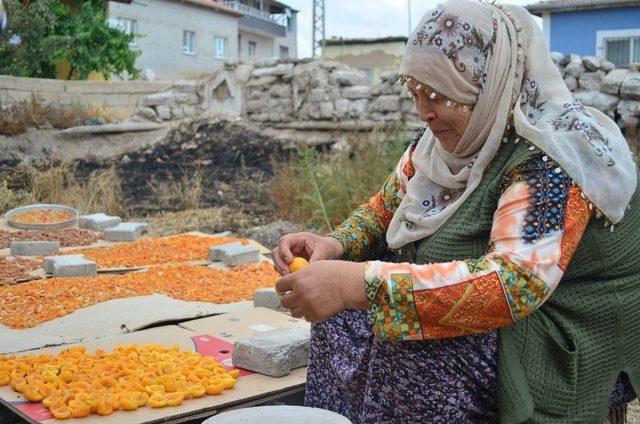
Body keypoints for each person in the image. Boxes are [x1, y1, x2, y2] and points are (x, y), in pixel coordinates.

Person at [271, 0, 640, 422]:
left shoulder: (554, 159)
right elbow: (385, 206)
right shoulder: (439, 143)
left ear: (488, 84)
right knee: (340, 320)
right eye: (415, 94)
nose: (423, 113)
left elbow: (513, 285)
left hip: (566, 325)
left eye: (438, 96)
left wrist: (360, 284)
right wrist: (335, 245)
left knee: (413, 354)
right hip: (512, 305)